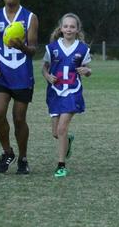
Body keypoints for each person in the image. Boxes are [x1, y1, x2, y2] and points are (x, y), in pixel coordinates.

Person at [0, 0, 38, 174]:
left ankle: (23, 158)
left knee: (19, 118)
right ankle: (7, 152)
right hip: (2, 76)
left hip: (23, 75)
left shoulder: (30, 18)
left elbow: (33, 50)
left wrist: (21, 46)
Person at [42, 13, 91, 178]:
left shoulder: (83, 48)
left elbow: (88, 69)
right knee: (56, 133)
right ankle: (67, 140)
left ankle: (61, 165)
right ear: (61, 28)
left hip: (72, 92)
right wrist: (48, 76)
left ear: (77, 29)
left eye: (72, 26)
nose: (69, 29)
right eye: (66, 26)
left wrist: (86, 71)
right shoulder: (52, 48)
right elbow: (45, 68)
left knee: (62, 128)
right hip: (55, 92)